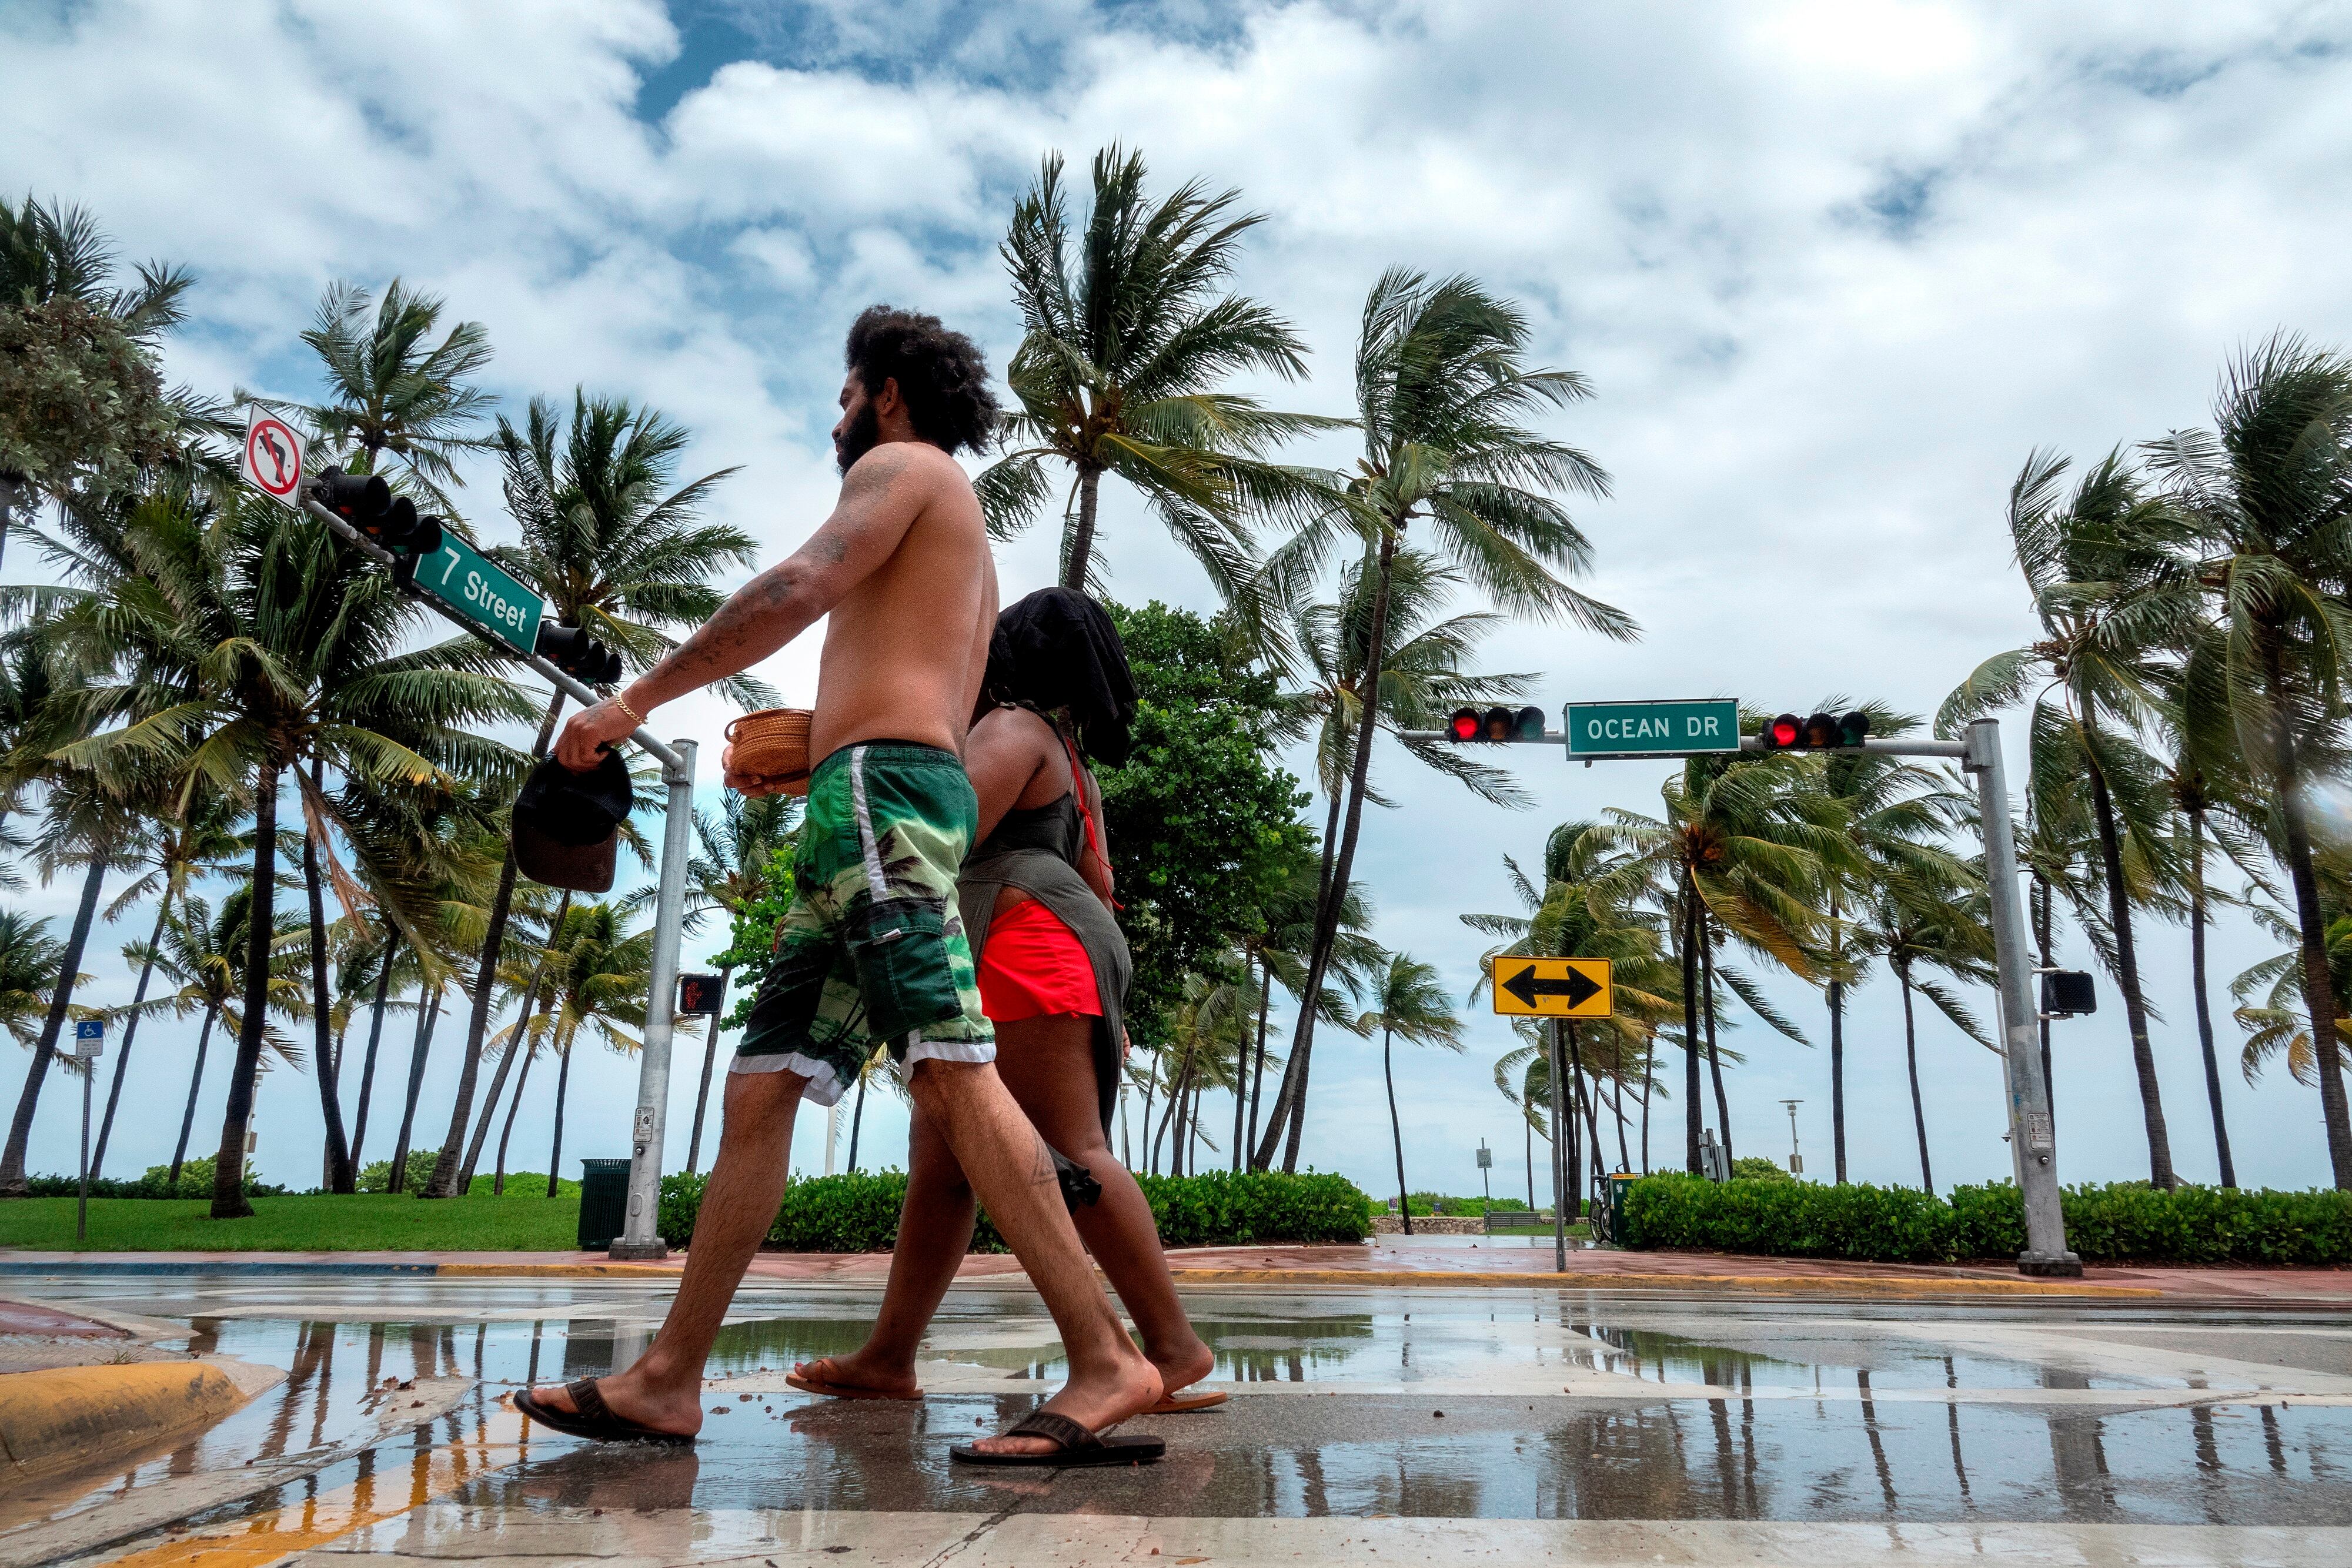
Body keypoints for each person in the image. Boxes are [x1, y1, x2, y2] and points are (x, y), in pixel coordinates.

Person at [513, 307, 1164, 1466]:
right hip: (859, 801)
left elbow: (802, 580)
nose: (837, 419)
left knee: (952, 1069)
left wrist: (635, 701)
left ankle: (1106, 1357)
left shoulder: (906, 467)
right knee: (760, 1086)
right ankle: (667, 1376)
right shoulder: (952, 536)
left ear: (891, 395)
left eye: (845, 395)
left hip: (882, 799)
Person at [786, 589, 1222, 1415]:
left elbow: (936, 835)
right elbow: (1103, 886)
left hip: (1023, 946)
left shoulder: (1013, 731)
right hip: (1052, 947)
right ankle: (888, 1354)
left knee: (1072, 1149)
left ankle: (1173, 1346)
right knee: (945, 1165)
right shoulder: (1068, 758)